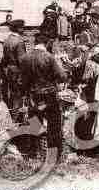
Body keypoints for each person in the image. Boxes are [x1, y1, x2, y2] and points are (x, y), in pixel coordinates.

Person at [20, 33, 68, 162]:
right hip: (49, 95)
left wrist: (26, 94)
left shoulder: (25, 58)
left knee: (35, 123)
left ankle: (34, 152)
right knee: (54, 124)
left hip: (33, 95)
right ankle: (54, 155)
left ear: (35, 42)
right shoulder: (49, 57)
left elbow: (23, 81)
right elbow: (62, 76)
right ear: (47, 43)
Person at [1, 19, 27, 110]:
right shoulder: (19, 42)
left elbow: (4, 57)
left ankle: (11, 111)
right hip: (17, 70)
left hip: (9, 69)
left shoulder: (7, 40)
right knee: (18, 94)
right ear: (18, 29)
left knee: (12, 92)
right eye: (22, 28)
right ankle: (17, 116)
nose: (24, 30)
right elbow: (22, 60)